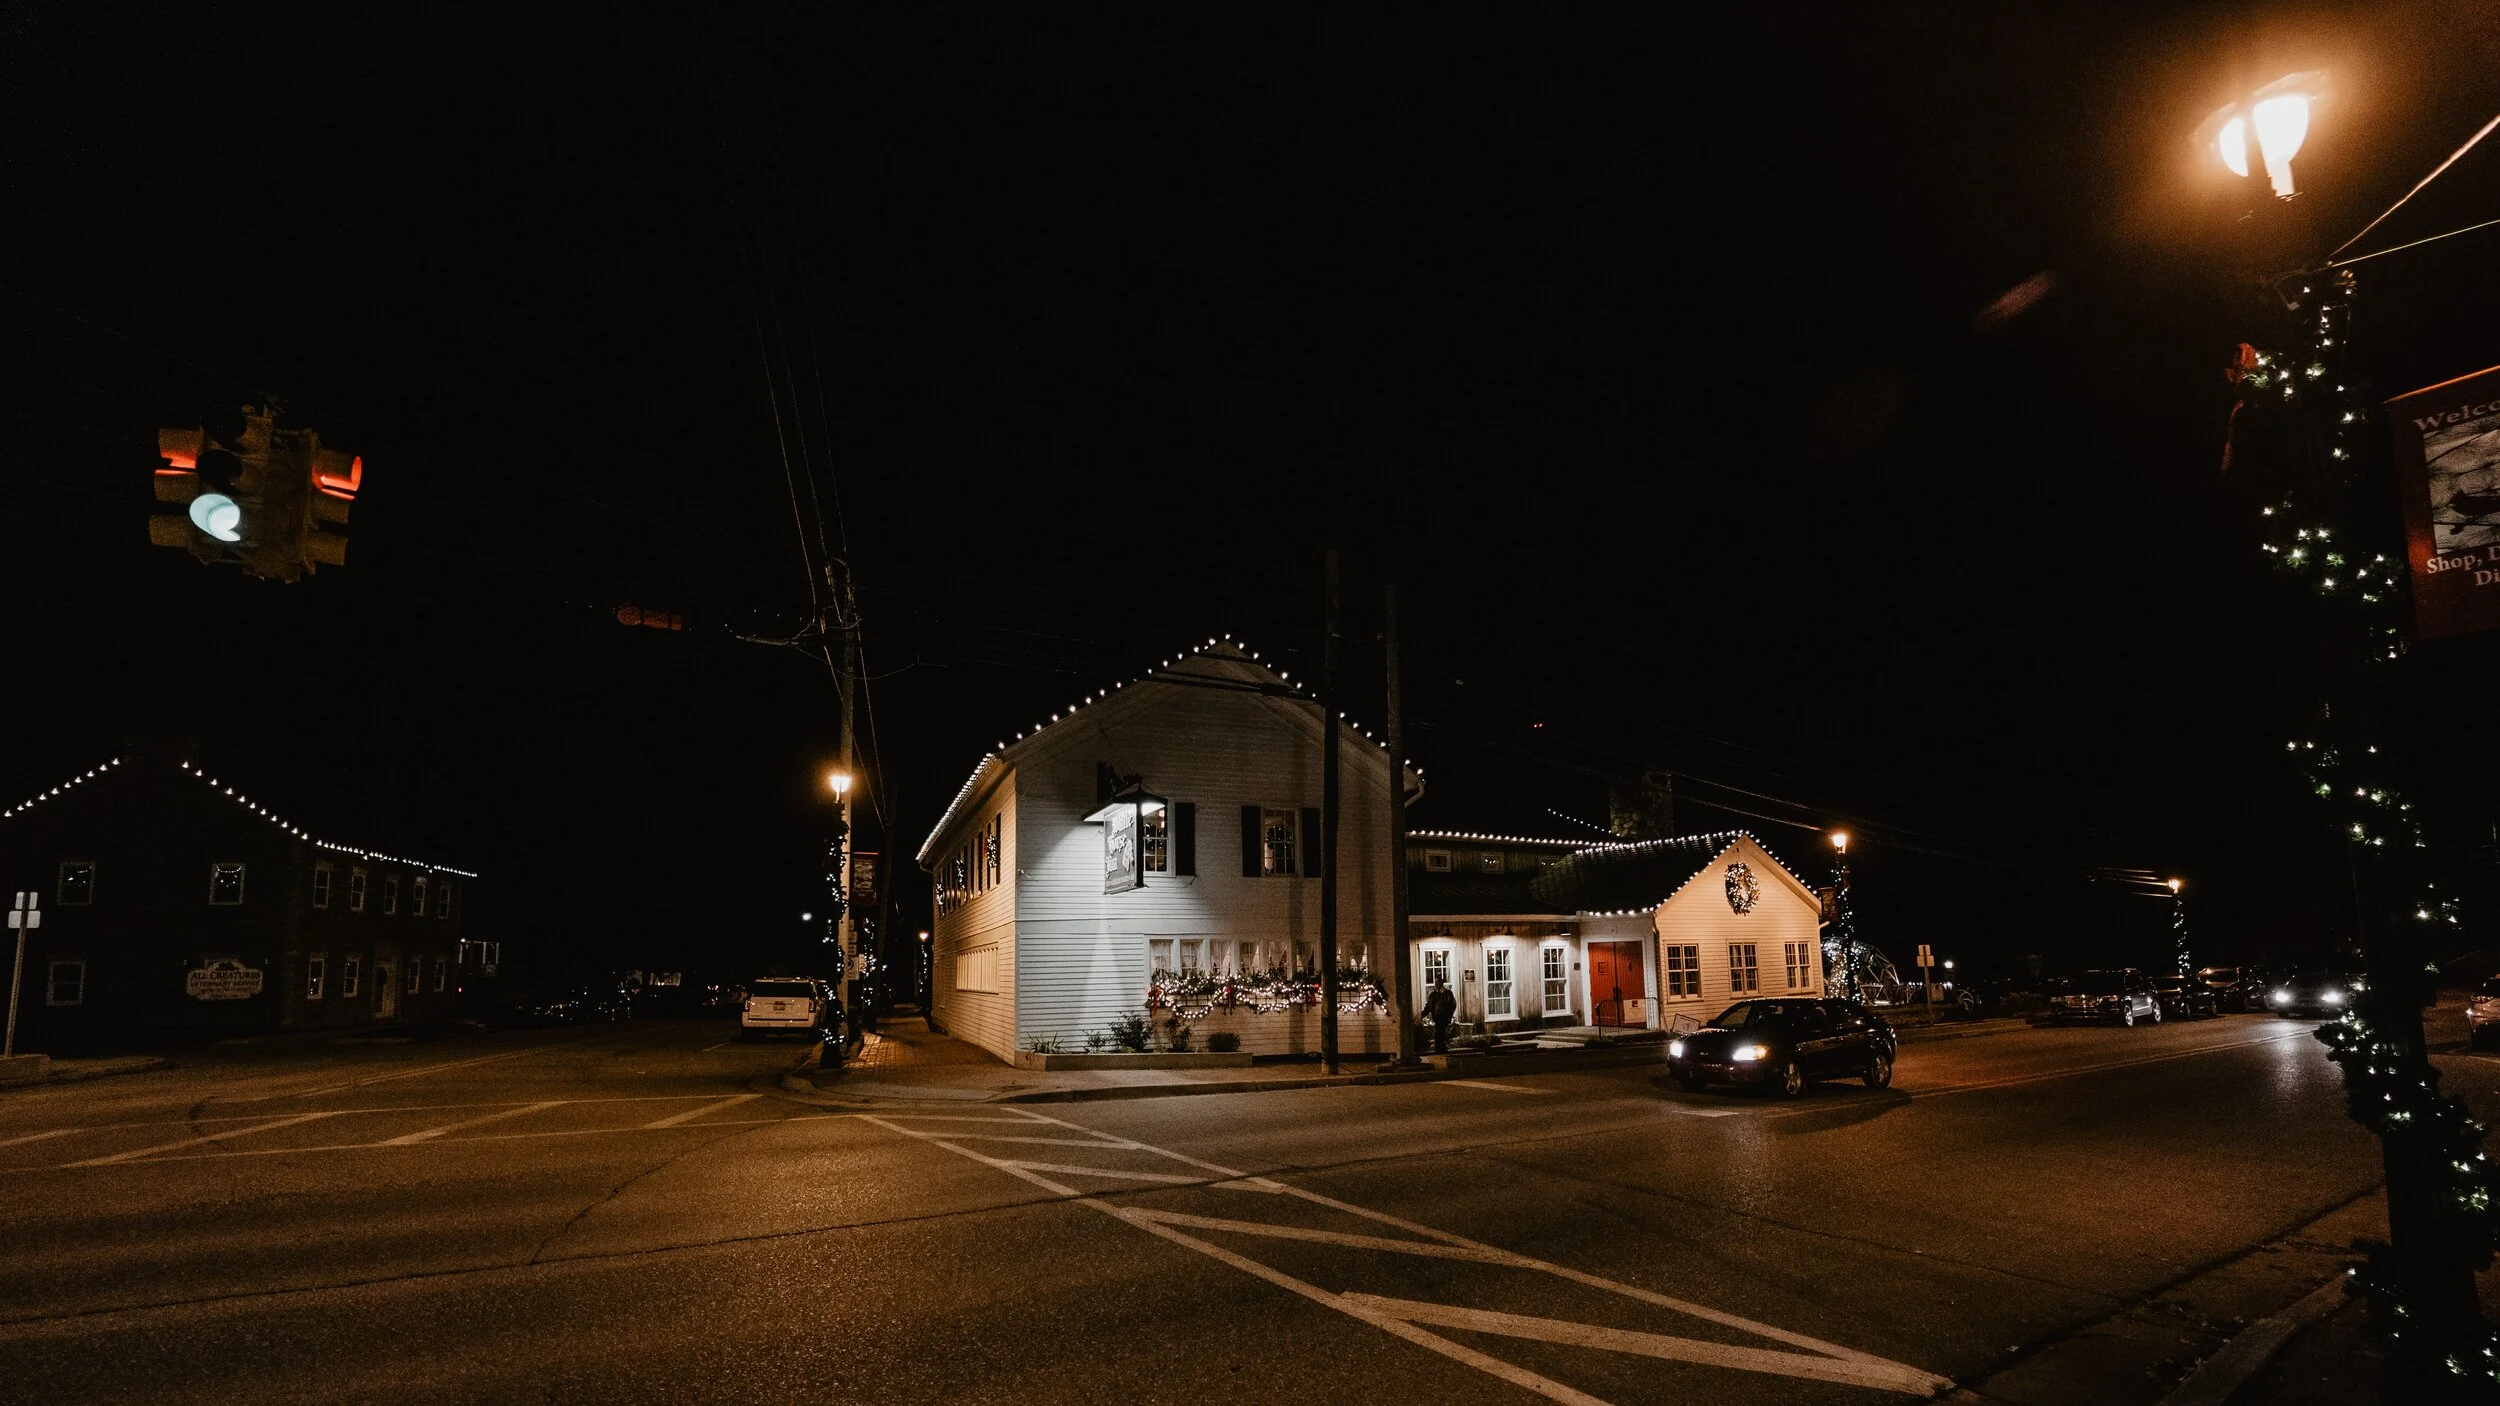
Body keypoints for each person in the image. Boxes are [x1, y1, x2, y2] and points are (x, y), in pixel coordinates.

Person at [1423, 978, 1458, 1055]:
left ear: (1442, 983)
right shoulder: (1433, 995)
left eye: (1438, 982)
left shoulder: (1447, 993)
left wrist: (1449, 1015)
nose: (1436, 984)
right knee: (1439, 1033)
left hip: (1444, 1017)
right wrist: (1422, 1014)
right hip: (1437, 1017)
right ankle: (1441, 1049)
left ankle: (1440, 1049)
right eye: (1435, 982)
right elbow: (1428, 1006)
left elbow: (1452, 1005)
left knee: (1439, 1032)